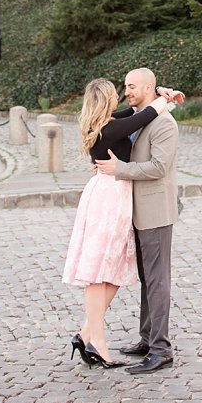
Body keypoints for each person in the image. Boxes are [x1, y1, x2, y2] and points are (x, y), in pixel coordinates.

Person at [62, 76, 179, 370]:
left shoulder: (107, 122)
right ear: (106, 101)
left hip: (113, 196)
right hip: (110, 199)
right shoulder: (111, 127)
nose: (122, 95)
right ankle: (97, 341)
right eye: (119, 91)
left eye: (129, 87)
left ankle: (88, 333)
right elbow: (146, 114)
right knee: (100, 270)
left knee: (110, 270)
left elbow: (138, 114)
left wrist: (158, 95)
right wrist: (165, 97)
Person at [93, 66, 181, 373]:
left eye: (131, 86)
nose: (126, 91)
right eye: (125, 86)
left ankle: (161, 349)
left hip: (156, 211)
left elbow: (158, 168)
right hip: (137, 211)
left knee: (158, 280)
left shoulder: (165, 124)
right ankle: (147, 338)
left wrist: (119, 170)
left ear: (148, 88)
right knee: (148, 279)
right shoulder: (139, 117)